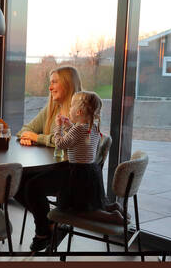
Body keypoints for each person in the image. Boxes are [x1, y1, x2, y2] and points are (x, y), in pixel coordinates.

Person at [14, 66, 82, 251]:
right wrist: (28, 136)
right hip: (53, 167)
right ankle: (50, 226)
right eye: (49, 83)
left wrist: (38, 138)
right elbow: (25, 129)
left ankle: (43, 232)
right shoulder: (52, 107)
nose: (50, 87)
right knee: (14, 181)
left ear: (67, 84)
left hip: (73, 171)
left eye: (54, 82)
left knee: (32, 186)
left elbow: (67, 142)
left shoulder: (80, 111)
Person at [54, 91, 126, 224]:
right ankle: (113, 207)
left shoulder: (78, 130)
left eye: (71, 106)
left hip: (78, 173)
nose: (69, 109)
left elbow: (60, 144)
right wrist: (68, 125)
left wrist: (58, 127)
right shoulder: (92, 128)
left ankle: (113, 217)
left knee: (81, 209)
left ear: (79, 112)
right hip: (91, 171)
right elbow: (77, 137)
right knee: (90, 203)